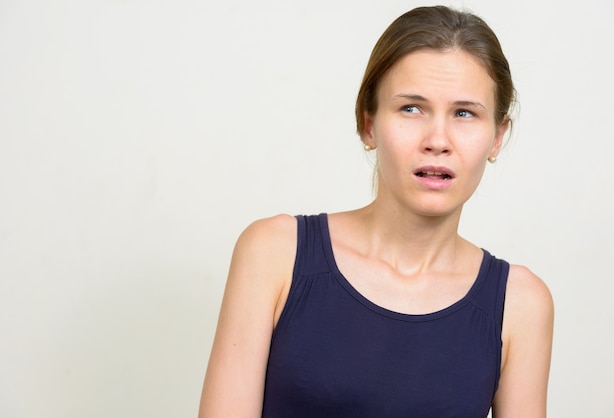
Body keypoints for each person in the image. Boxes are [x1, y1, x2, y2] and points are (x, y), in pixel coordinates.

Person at [198, 5, 553, 417]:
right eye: (411, 108)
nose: (438, 140)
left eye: (464, 113)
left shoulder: (521, 304)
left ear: (497, 137)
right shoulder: (274, 254)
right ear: (368, 123)